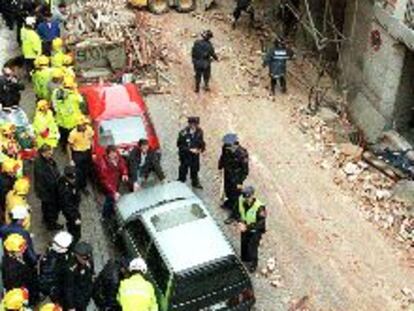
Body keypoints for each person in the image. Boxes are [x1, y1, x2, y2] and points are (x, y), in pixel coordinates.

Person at [219, 133, 249, 224]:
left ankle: (235, 215)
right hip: (228, 173)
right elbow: (223, 157)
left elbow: (245, 170)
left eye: (229, 145)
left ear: (234, 144)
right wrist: (220, 166)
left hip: (236, 178)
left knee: (236, 196)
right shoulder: (226, 147)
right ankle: (229, 203)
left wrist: (240, 182)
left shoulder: (242, 154)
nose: (227, 147)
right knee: (227, 190)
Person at [2, 234, 39, 305]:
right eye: (21, 249)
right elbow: (15, 287)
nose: (24, 250)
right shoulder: (12, 270)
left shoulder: (15, 256)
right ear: (12, 251)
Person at [237, 186, 266, 273]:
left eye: (249, 197)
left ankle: (253, 264)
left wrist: (248, 227)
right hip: (244, 227)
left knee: (252, 248)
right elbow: (238, 211)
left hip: (255, 231)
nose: (247, 199)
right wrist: (239, 222)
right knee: (244, 243)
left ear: (252, 196)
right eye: (246, 197)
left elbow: (261, 223)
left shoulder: (260, 207)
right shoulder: (241, 200)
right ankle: (245, 258)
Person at [38, 231, 73, 305]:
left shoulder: (52, 253)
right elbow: (46, 279)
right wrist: (51, 291)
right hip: (56, 289)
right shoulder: (52, 261)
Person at [34, 144, 62, 230]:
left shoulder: (44, 160)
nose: (51, 155)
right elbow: (48, 180)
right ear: (43, 153)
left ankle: (46, 218)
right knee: (51, 209)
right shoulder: (41, 165)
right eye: (49, 153)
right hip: (48, 192)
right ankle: (51, 224)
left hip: (45, 191)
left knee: (46, 206)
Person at [52, 76, 84, 150]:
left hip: (61, 121)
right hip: (73, 122)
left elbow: (55, 106)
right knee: (72, 138)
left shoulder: (56, 93)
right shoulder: (74, 96)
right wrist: (75, 91)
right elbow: (81, 101)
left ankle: (64, 147)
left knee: (63, 138)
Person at [96, 145, 128, 219]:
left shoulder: (117, 158)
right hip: (108, 186)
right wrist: (113, 192)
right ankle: (105, 216)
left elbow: (122, 165)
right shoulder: (103, 163)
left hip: (116, 181)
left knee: (113, 199)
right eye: (112, 153)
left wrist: (124, 173)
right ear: (108, 154)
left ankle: (112, 210)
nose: (115, 154)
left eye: (115, 152)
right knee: (109, 200)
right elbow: (104, 180)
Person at [63, 241, 95, 311]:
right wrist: (71, 307)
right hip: (76, 298)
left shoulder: (88, 260)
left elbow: (91, 272)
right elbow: (69, 288)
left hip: (85, 296)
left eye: (87, 258)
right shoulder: (71, 268)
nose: (86, 261)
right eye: (83, 259)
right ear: (77, 255)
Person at [67, 115, 93, 194]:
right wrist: (71, 159)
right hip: (78, 154)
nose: (85, 126)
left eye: (85, 124)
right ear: (78, 126)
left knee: (85, 170)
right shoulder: (73, 134)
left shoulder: (88, 129)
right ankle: (77, 187)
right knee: (78, 172)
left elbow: (91, 139)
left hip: (87, 152)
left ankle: (84, 186)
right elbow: (68, 146)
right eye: (83, 125)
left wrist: (93, 151)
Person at [177, 117, 205, 189]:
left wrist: (201, 149)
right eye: (191, 124)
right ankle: (180, 183)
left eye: (195, 124)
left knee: (195, 170)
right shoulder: (183, 133)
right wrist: (190, 150)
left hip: (195, 156)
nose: (193, 126)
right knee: (183, 170)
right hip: (185, 156)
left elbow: (201, 142)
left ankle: (195, 183)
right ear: (189, 124)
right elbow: (179, 145)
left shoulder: (199, 132)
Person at [57, 165, 81, 243]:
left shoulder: (70, 182)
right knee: (74, 228)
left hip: (74, 205)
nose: (74, 180)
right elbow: (67, 206)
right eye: (72, 178)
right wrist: (75, 218)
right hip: (71, 212)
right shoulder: (65, 190)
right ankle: (73, 240)